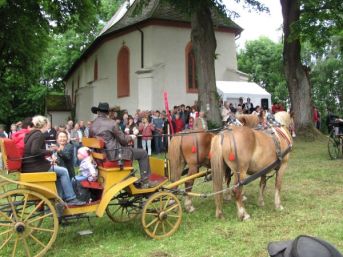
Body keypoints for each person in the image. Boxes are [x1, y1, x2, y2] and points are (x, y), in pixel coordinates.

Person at [22, 115, 84, 205]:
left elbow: (34, 152)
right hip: (35, 167)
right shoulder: (39, 134)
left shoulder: (31, 134)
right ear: (45, 124)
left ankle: (60, 197)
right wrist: (49, 151)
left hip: (30, 165)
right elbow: (34, 151)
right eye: (48, 124)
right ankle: (71, 198)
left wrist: (48, 159)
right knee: (63, 171)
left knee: (58, 173)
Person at [89, 102, 153, 187]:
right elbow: (123, 140)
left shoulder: (92, 125)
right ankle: (145, 181)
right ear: (108, 113)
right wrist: (132, 137)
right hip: (114, 155)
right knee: (143, 153)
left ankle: (132, 176)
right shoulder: (111, 123)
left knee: (133, 151)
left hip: (101, 158)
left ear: (98, 112)